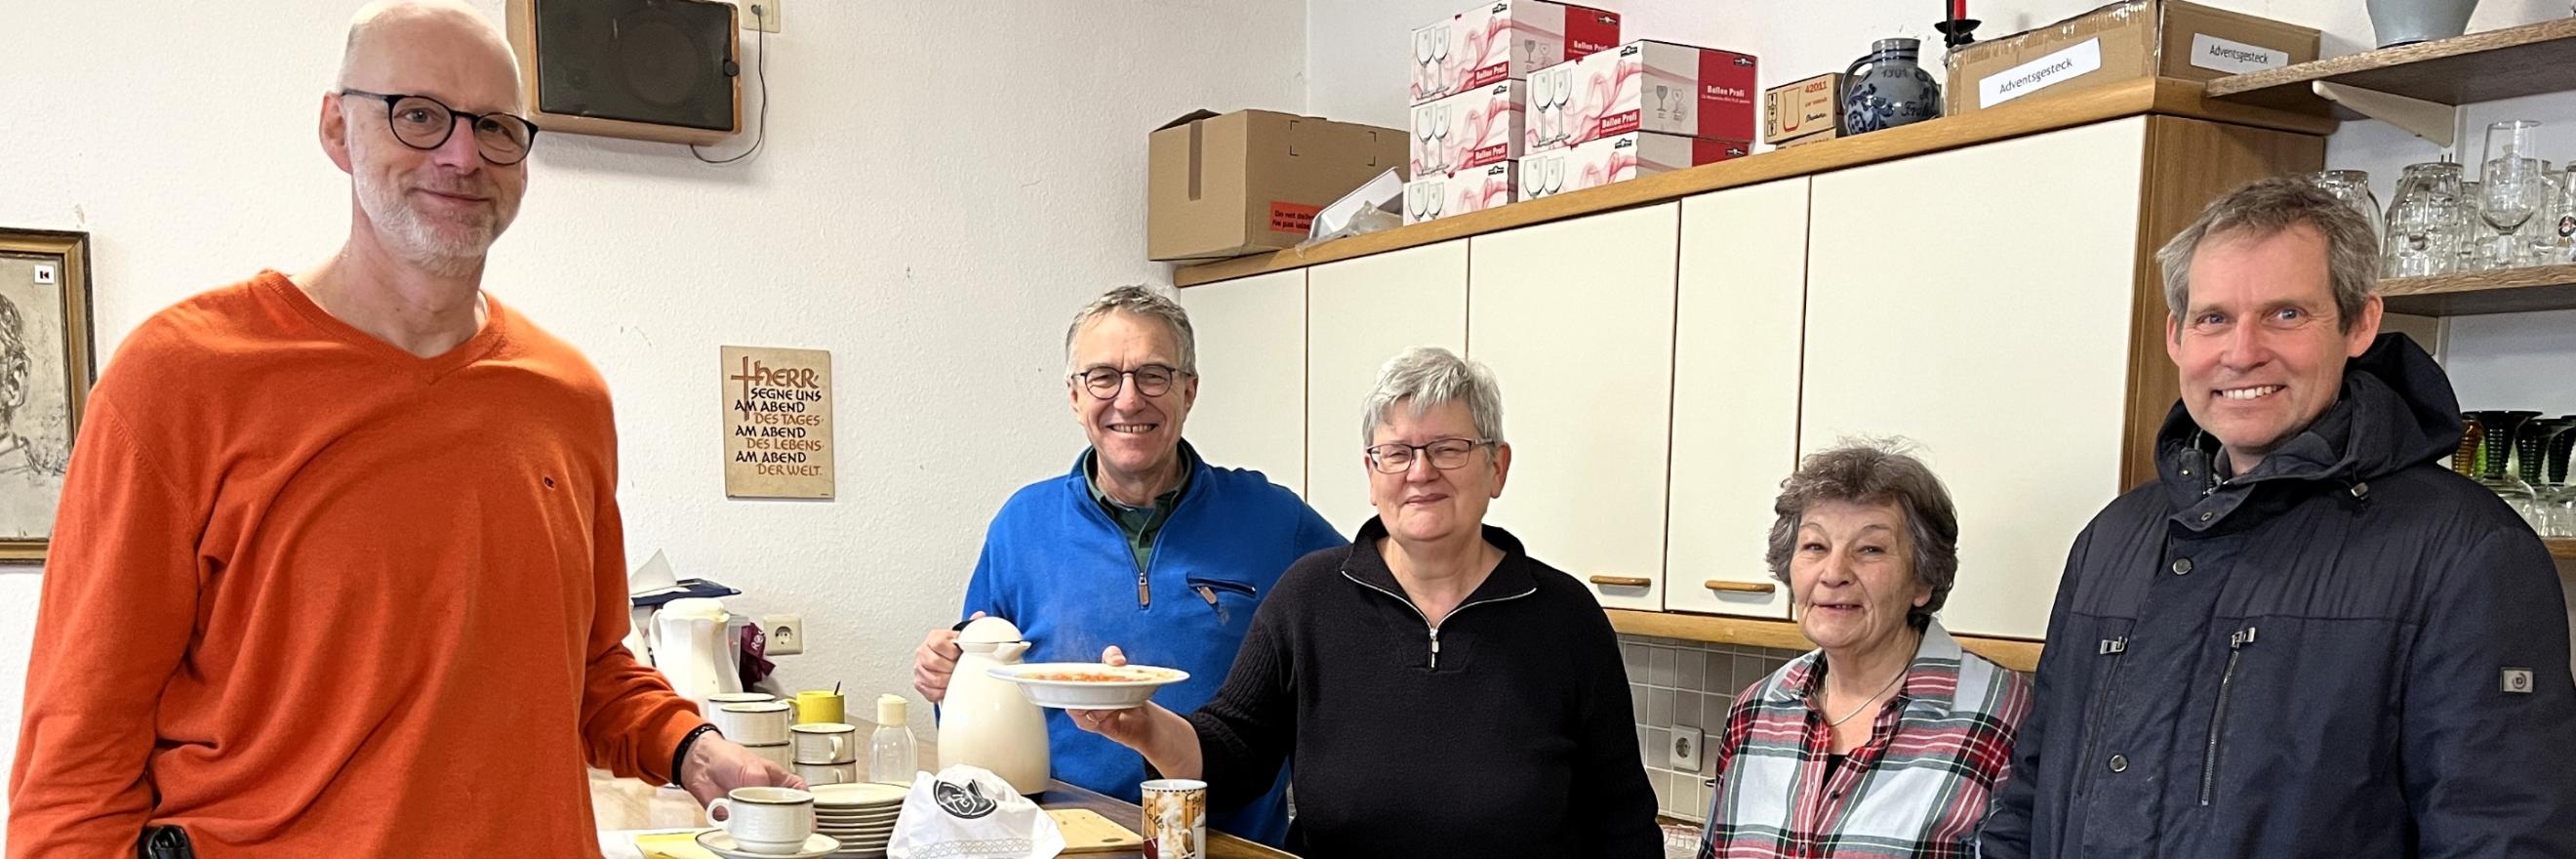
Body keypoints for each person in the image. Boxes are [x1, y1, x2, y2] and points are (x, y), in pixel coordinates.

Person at [6, 3, 794, 854]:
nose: (461, 156)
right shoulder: (179, 379)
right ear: (337, 129)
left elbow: (591, 667)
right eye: (418, 116)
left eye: (496, 127)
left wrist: (690, 747)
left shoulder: (567, 397)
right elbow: (75, 765)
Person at [1977, 178, 2576, 857]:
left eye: (2285, 314)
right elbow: (2028, 800)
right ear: (2176, 337)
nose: (2242, 351)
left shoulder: (2466, 552)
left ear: (2360, 324)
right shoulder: (2113, 539)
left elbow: (2504, 836)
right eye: (2213, 318)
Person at [1070, 346, 1662, 858]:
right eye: (1397, 453)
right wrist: (1145, 726)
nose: (1420, 473)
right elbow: (1232, 756)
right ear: (1371, 472)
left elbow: (1623, 820)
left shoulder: (1565, 617)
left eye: (1448, 449)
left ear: (1496, 467)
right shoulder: (1311, 598)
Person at [909, 285, 1341, 845]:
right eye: (1103, 377)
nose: (1129, 400)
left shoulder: (1275, 520)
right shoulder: (1022, 525)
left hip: (1228, 844)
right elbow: (979, 683)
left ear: (1190, 391)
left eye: (1153, 375)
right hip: (1061, 841)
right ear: (1074, 396)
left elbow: (1373, 609)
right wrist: (948, 675)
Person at [1697, 441, 2032, 858]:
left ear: (1923, 580)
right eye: (1815, 547)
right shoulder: (1757, 711)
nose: (1834, 573)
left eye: (1870, 549)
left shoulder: (2002, 714)